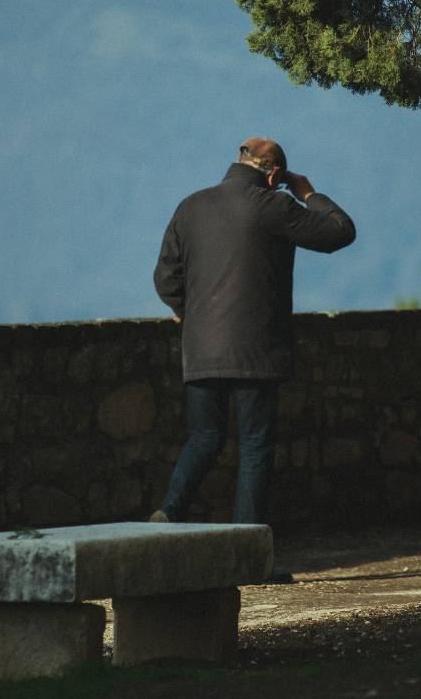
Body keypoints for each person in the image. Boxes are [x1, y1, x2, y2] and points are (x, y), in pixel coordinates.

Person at [150, 137, 355, 526]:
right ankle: (248, 543)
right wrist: (307, 192)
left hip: (201, 350)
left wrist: (191, 315)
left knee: (204, 439)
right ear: (275, 175)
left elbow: (166, 279)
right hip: (256, 351)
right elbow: (339, 232)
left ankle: (169, 510)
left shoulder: (190, 206)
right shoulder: (275, 206)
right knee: (255, 446)